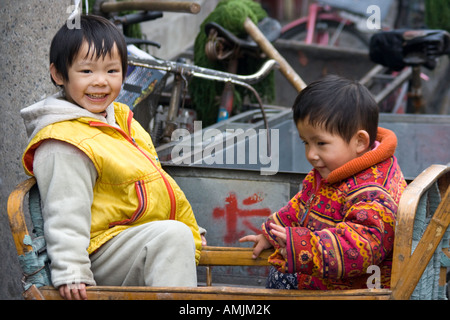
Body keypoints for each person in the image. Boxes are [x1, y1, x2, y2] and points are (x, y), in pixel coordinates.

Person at [20, 15, 205, 300]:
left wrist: (191, 230)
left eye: (112, 70)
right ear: (59, 75)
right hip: (95, 253)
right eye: (86, 71)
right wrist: (71, 270)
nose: (101, 82)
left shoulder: (119, 119)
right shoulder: (65, 142)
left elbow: (156, 182)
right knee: (172, 237)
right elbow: (64, 212)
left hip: (127, 240)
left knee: (176, 236)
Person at [240, 75, 407, 290]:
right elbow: (302, 205)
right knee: (278, 269)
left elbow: (361, 248)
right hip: (323, 275)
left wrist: (302, 245)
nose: (311, 154)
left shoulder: (372, 192)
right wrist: (273, 233)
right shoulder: (333, 171)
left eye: (321, 143)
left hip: (355, 290)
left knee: (281, 276)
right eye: (306, 142)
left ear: (360, 141)